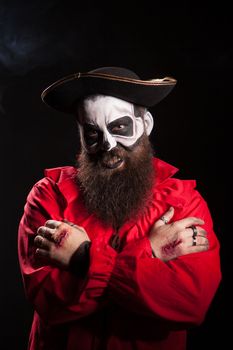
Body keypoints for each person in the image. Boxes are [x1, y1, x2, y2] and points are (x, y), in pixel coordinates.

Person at [18, 66, 221, 350]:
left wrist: (82, 258)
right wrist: (149, 252)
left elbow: (189, 303)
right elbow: (49, 300)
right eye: (92, 134)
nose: (108, 144)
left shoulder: (183, 202)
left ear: (145, 124)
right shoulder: (48, 196)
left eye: (119, 127)